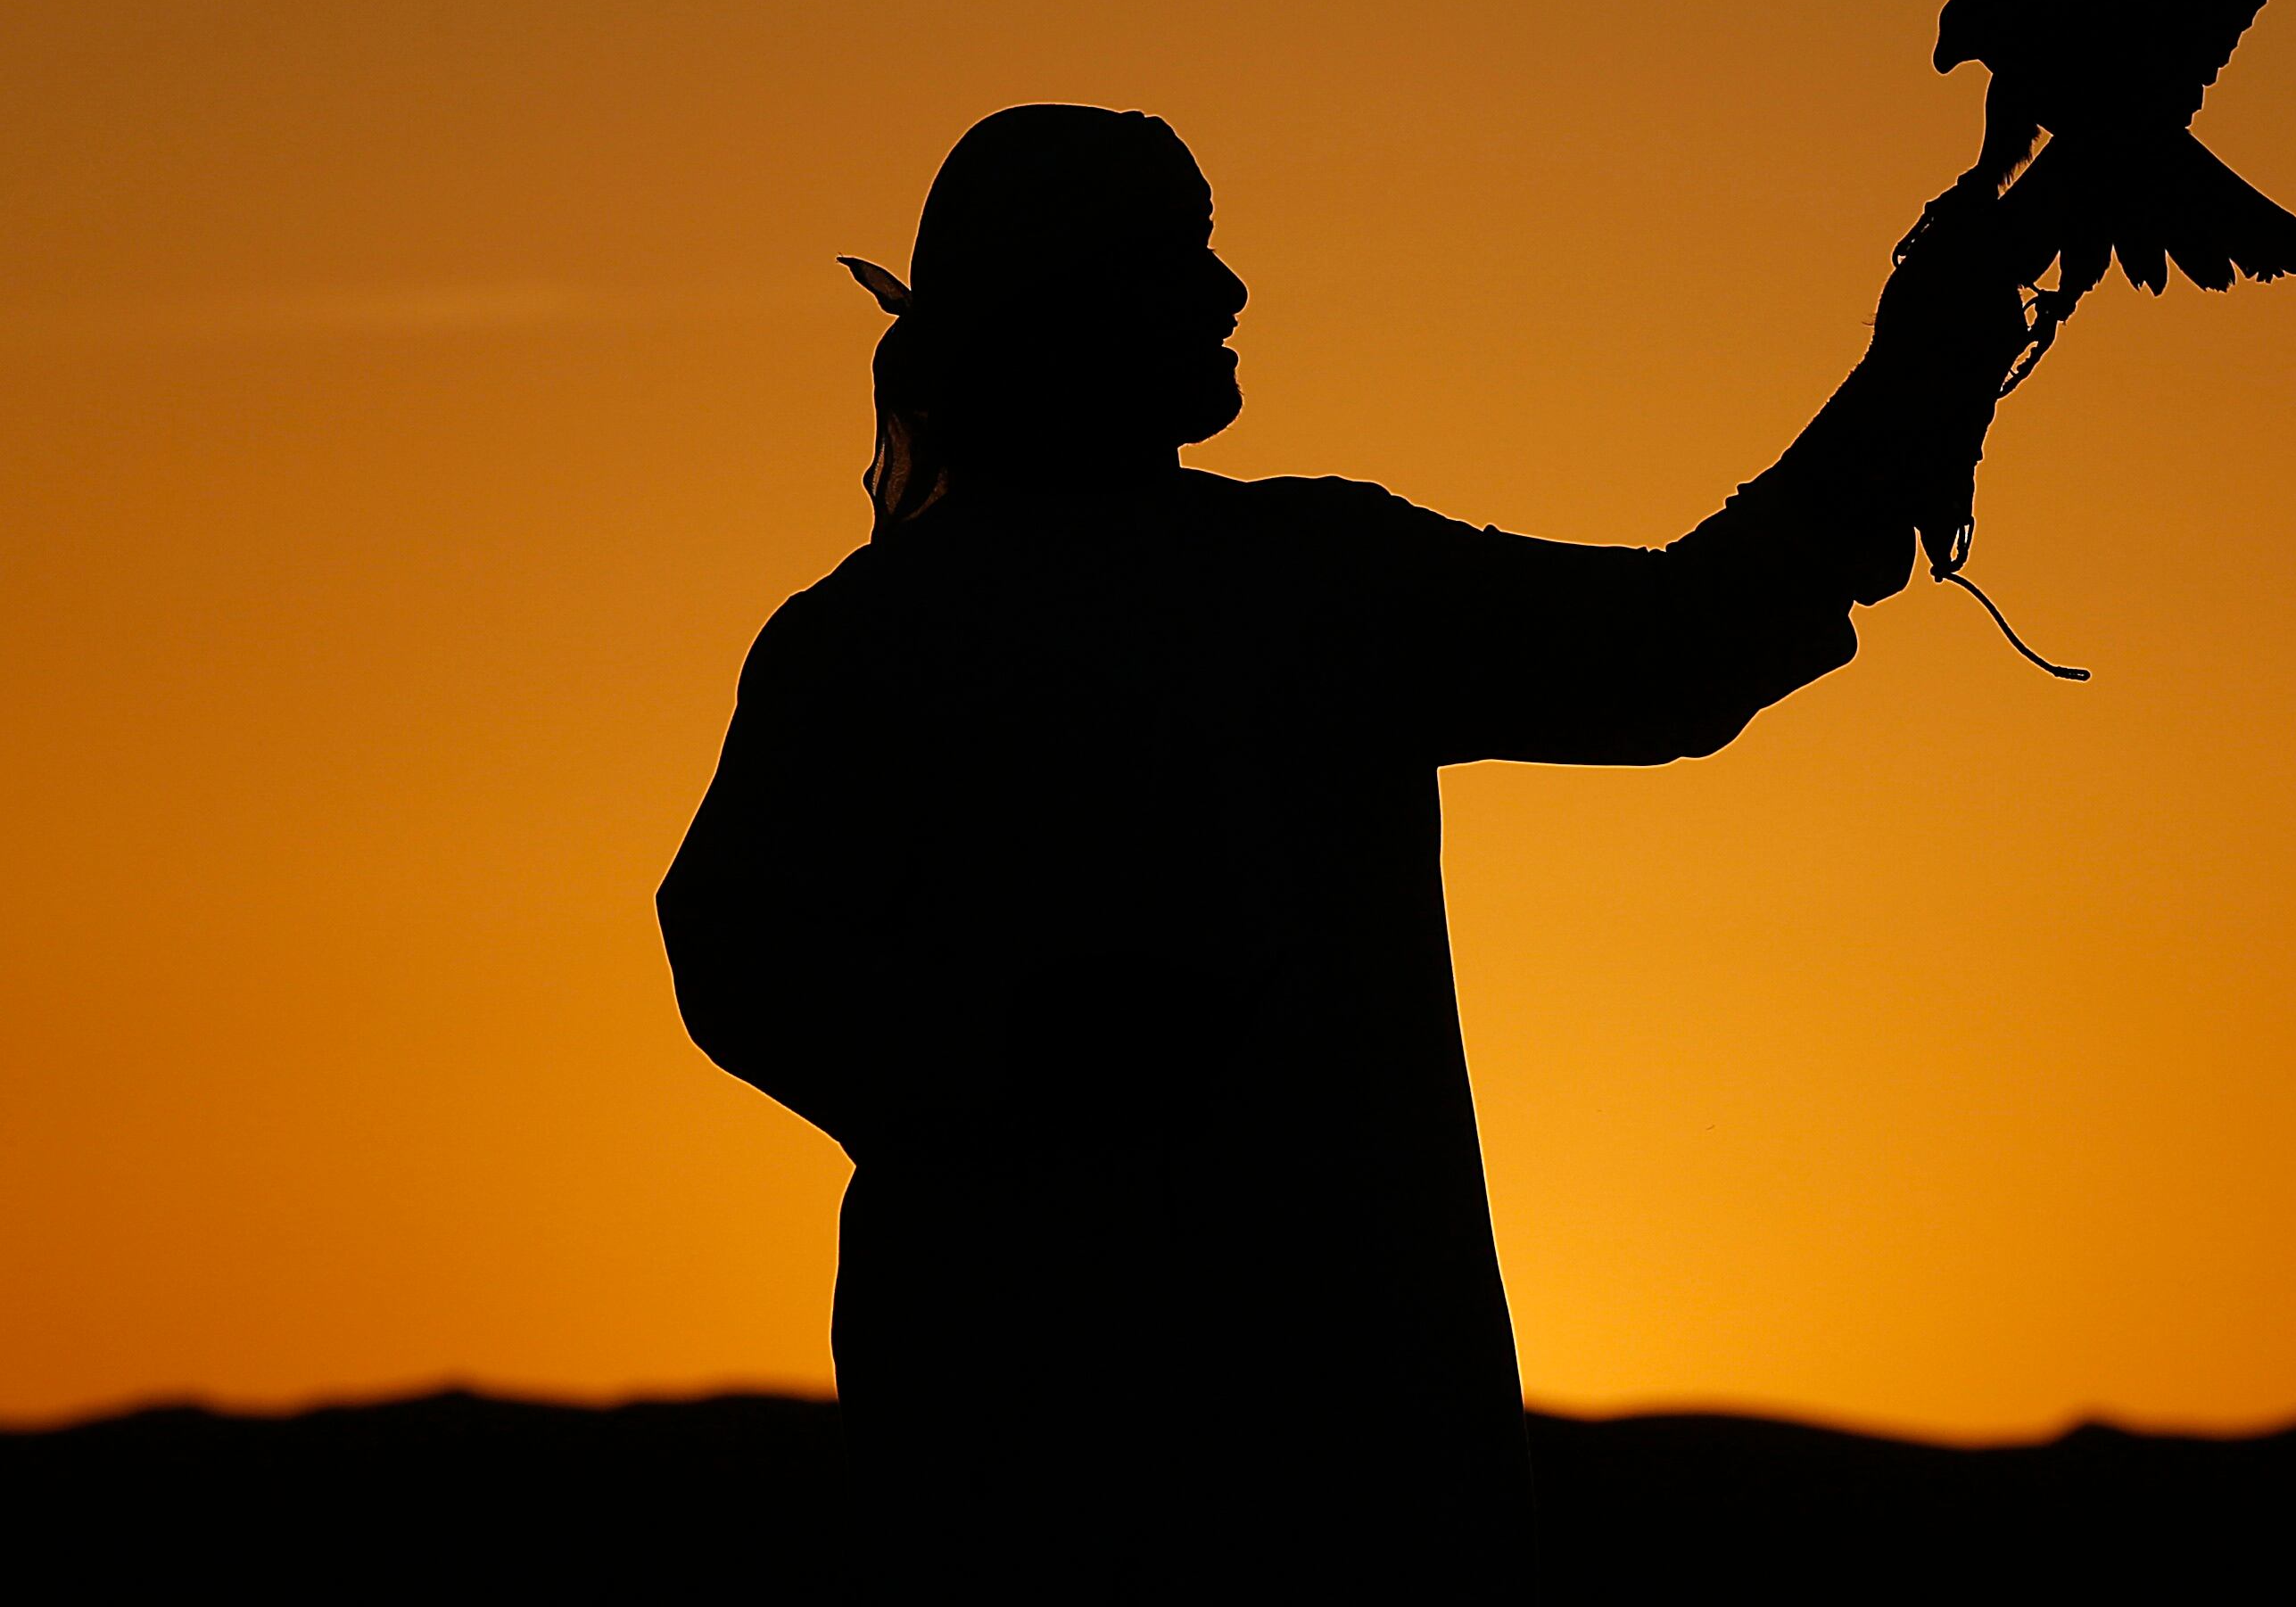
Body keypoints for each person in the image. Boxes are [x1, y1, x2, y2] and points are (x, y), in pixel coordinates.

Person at [658, 104, 2034, 1595]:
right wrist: (1019, 1062)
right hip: (1095, 1467)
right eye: (1174, 256)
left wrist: (1918, 384)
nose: (1228, 292)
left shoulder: (1268, 584)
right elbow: (742, 954)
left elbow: (1670, 652)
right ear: (1066, 312)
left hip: (1273, 1452)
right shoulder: (1236, 597)